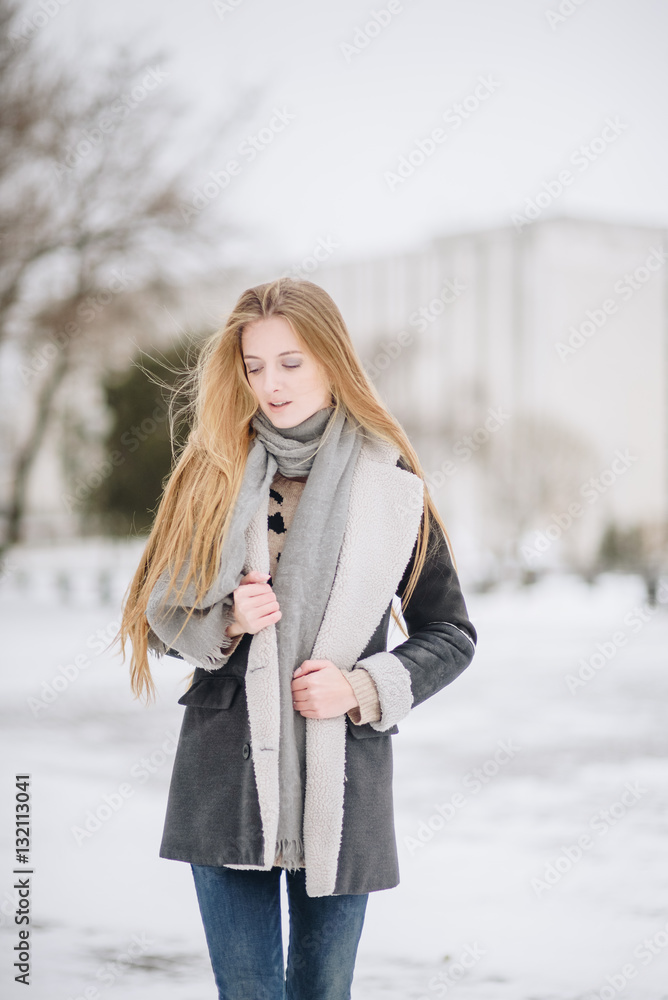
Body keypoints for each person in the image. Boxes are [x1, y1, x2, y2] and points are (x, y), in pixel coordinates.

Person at [116, 277, 477, 1000]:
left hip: (342, 780)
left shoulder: (393, 486)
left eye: (291, 362)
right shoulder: (210, 471)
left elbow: (452, 633)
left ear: (332, 360)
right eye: (254, 366)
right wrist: (224, 622)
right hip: (226, 781)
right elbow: (154, 616)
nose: (270, 384)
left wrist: (362, 688)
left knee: (321, 992)